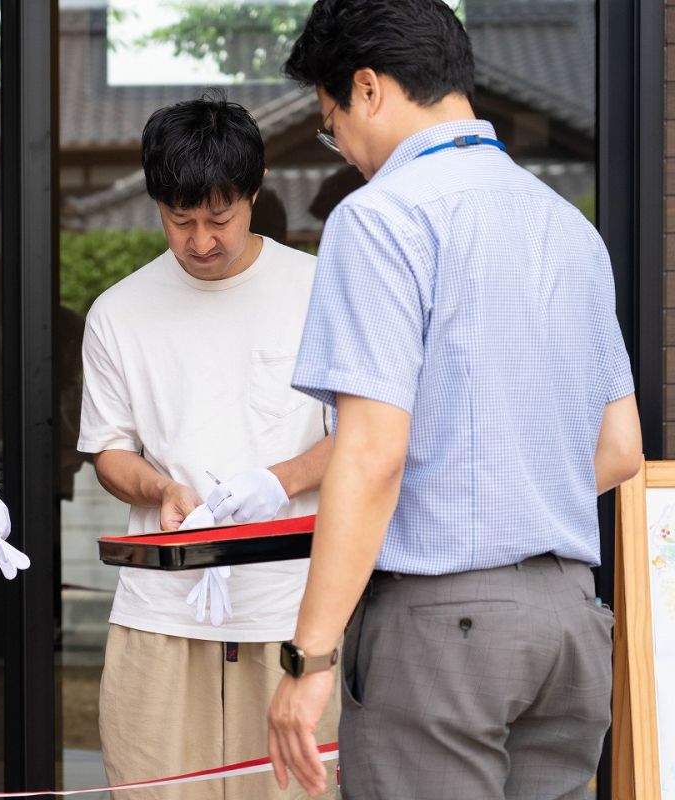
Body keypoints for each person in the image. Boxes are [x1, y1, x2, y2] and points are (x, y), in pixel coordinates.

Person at [264, 2, 644, 797]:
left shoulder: (380, 219)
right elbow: (620, 451)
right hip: (571, 620)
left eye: (334, 124)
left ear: (367, 89)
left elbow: (371, 456)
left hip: (443, 629)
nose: (348, 152)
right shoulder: (569, 228)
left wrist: (309, 658)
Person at [78, 93, 339, 799]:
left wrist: (279, 479)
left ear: (253, 193)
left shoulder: (319, 291)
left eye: (218, 217)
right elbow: (108, 451)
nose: (200, 240)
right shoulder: (118, 312)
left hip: (294, 606)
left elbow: (366, 441)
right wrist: (161, 490)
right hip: (162, 604)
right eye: (179, 219)